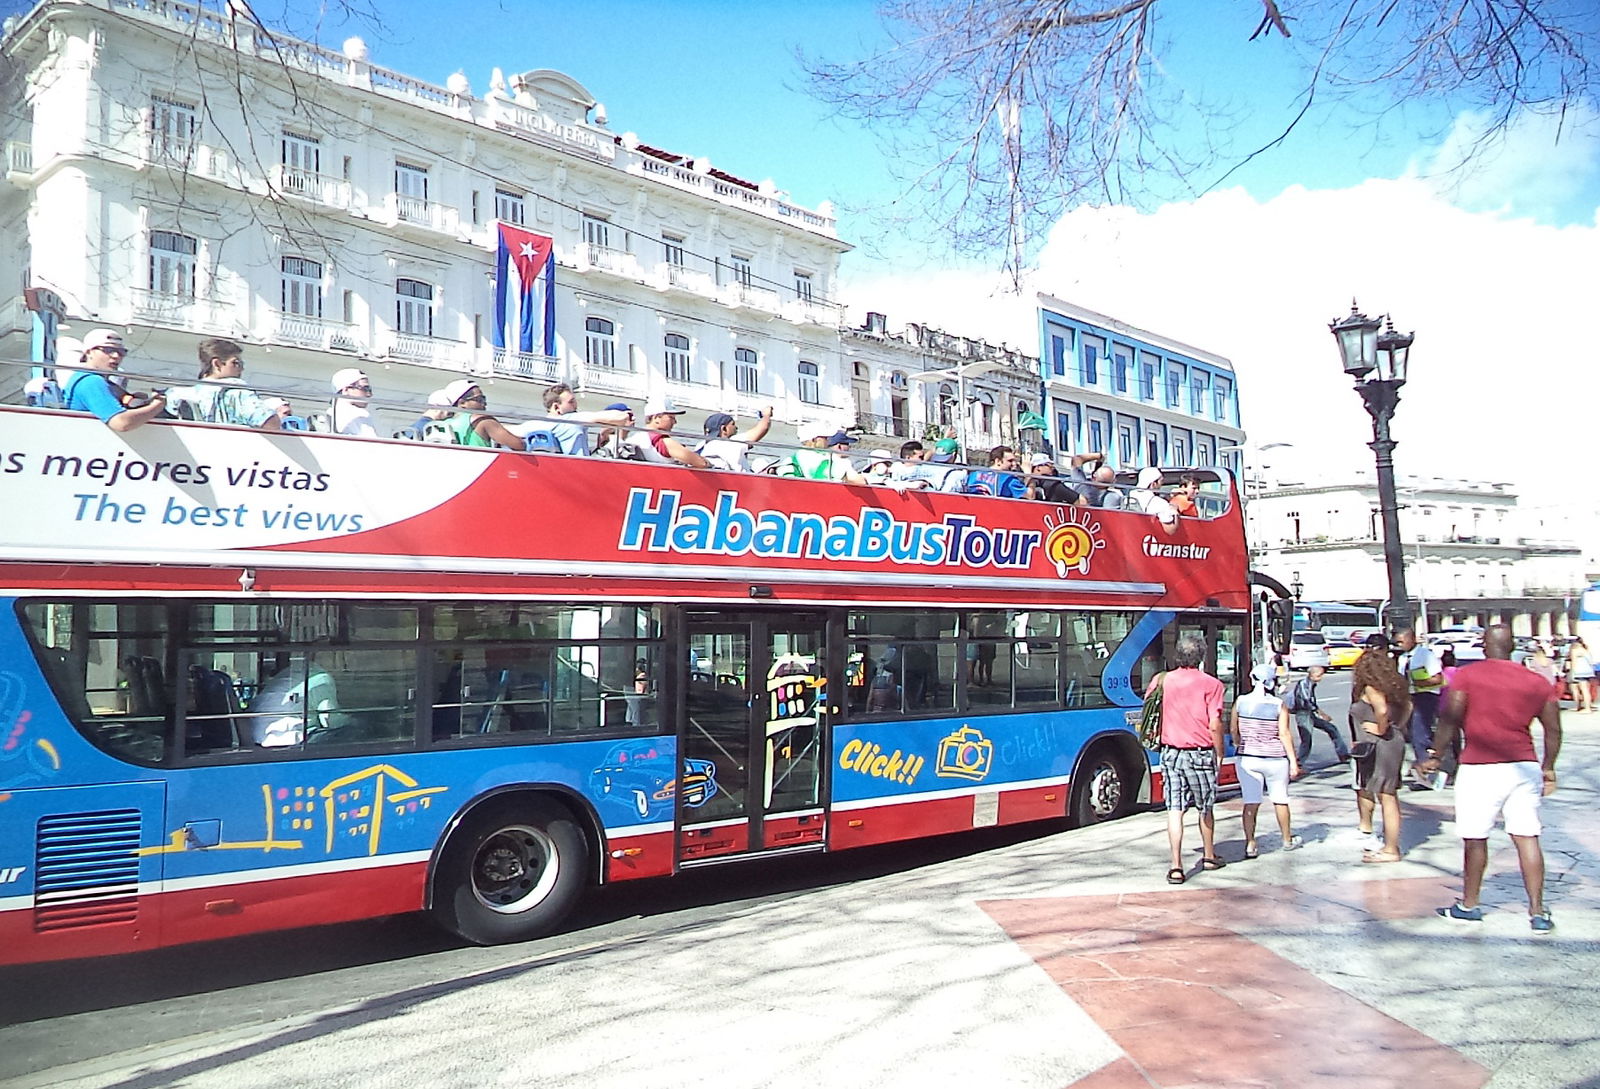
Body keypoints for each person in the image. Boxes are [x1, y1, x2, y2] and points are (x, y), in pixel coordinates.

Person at [1419, 625, 1561, 931]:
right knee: (1527, 836)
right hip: (1523, 765)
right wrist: (1548, 767)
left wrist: (1436, 753)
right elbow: (1553, 730)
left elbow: (1450, 718)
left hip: (1479, 766)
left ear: (1485, 646)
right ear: (1512, 647)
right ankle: (1537, 911)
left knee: (1475, 837)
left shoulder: (1468, 677)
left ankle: (1470, 905)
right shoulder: (1537, 682)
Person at [1148, 634, 1226, 883]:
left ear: (1177, 655)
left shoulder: (1162, 680)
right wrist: (1220, 752)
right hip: (1200, 754)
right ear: (1201, 656)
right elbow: (1215, 724)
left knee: (1174, 809)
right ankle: (1209, 855)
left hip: (1170, 753)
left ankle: (1176, 865)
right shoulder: (1212, 685)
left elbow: (1149, 705)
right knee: (1205, 807)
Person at [1350, 638, 1411, 862]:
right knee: (1389, 794)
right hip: (1394, 741)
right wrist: (1399, 727)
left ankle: (1391, 849)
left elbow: (1382, 710)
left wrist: (1381, 728)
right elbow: (1409, 705)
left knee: (1386, 796)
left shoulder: (1371, 688)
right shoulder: (1395, 686)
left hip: (1381, 744)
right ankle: (1390, 846)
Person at [1232, 663, 1302, 858]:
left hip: (1248, 758)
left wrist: (1241, 744)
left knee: (1250, 802)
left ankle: (1251, 844)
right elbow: (1284, 734)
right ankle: (1287, 840)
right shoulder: (1278, 705)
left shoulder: (1240, 702)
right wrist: (1294, 762)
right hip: (1275, 759)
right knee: (1280, 800)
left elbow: (1233, 730)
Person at [60, 329, 166, 432]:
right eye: (108, 350)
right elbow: (121, 423)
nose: (116, 356)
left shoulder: (100, 381)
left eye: (121, 352)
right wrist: (157, 405)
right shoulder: (91, 382)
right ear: (89, 352)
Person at [176, 337, 282, 429]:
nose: (242, 368)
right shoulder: (236, 391)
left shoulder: (180, 393)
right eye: (236, 363)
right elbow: (270, 422)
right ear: (217, 364)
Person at [519, 383, 633, 455]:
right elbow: (620, 417)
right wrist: (626, 416)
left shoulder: (534, 424)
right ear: (556, 407)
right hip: (580, 471)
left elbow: (508, 432)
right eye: (571, 402)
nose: (576, 405)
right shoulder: (573, 418)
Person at [1398, 628, 1445, 788]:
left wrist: (1418, 683)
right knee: (1409, 734)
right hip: (1409, 697)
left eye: (1402, 641)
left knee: (1421, 735)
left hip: (1425, 697)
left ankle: (1426, 775)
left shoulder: (1425, 655)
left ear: (1412, 639)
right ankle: (1422, 771)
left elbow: (1438, 678)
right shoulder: (1403, 658)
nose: (1399, 645)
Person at [439, 379, 527, 450]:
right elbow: (518, 445)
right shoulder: (483, 420)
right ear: (462, 403)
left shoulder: (444, 423)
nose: (485, 404)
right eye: (480, 399)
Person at [1289, 664, 1350, 764]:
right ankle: (1299, 762)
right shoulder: (1304, 684)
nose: (1321, 677)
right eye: (1319, 675)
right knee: (1307, 740)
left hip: (1309, 713)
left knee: (1332, 729)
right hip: (1303, 714)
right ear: (1311, 675)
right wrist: (1321, 713)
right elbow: (1306, 700)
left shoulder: (1311, 684)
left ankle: (1342, 754)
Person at [626, 397, 709, 467]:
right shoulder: (660, 439)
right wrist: (707, 463)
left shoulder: (636, 437)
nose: (675, 422)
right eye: (671, 418)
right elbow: (700, 463)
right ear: (657, 418)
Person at [781, 423, 866, 483]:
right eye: (825, 438)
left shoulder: (791, 459)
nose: (828, 440)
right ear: (814, 440)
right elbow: (858, 481)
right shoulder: (830, 459)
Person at [699, 407, 774, 471]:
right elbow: (763, 428)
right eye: (733, 424)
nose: (736, 427)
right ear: (724, 429)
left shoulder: (701, 446)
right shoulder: (728, 443)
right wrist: (766, 415)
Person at [962, 445, 1033, 499]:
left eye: (1015, 461)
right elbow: (1030, 495)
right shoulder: (1009, 480)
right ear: (998, 461)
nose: (1014, 464)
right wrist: (1029, 475)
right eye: (1010, 461)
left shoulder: (974, 474)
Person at [1128, 467, 1179, 534]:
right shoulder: (1159, 503)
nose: (1162, 485)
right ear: (1153, 484)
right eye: (1161, 481)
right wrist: (1174, 512)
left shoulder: (1129, 496)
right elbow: (1170, 530)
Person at [330, 368, 378, 437]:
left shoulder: (330, 412)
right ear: (346, 390)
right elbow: (374, 444)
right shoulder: (360, 414)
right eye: (365, 389)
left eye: (369, 390)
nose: (369, 394)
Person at [1565, 637, 1594, 712]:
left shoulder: (1575, 650)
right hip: (1588, 671)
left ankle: (1587, 708)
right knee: (1586, 690)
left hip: (1579, 671)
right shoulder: (1585, 650)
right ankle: (1588, 706)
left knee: (1583, 690)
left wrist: (1573, 672)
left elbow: (1574, 662)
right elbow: (1591, 661)